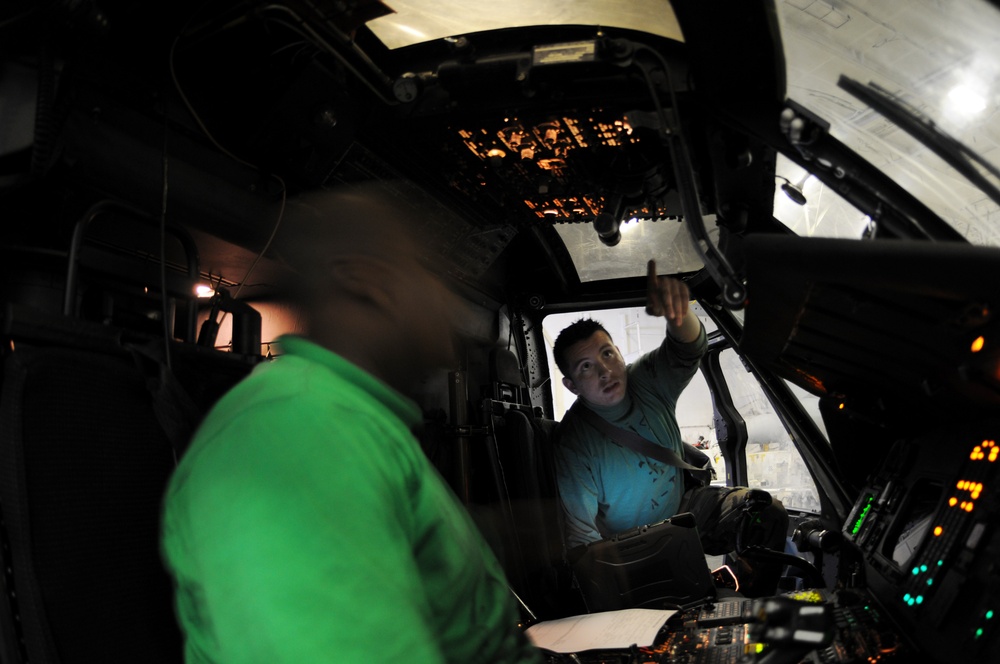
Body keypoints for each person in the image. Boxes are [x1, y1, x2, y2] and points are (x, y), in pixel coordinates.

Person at [160, 182, 543, 663]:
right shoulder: (294, 433)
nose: (446, 303)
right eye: (428, 274)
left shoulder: (355, 422)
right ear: (365, 280)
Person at [551, 259, 788, 597]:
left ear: (619, 352)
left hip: (684, 507)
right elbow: (582, 535)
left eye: (607, 354)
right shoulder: (574, 442)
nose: (605, 371)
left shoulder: (645, 380)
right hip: (631, 540)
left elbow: (687, 348)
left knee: (765, 513)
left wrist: (680, 318)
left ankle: (751, 607)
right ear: (571, 385)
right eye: (587, 367)